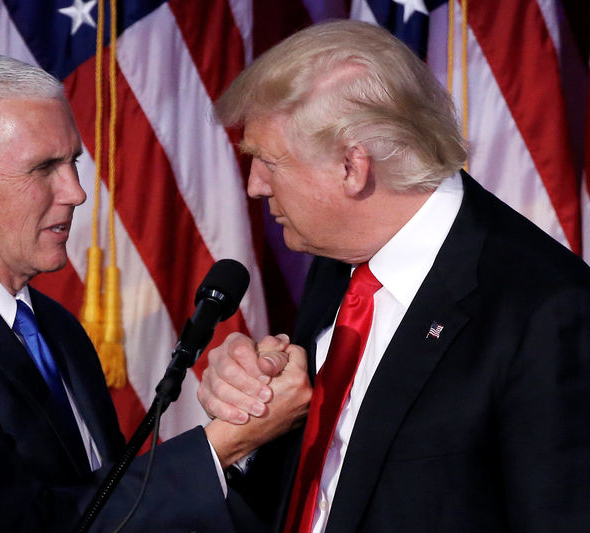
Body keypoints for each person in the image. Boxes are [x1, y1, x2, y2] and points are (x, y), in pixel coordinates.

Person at [0, 52, 310, 533]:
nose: (76, 191)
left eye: (72, 162)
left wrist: (246, 438)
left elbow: (112, 510)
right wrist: (218, 447)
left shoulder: (52, 326)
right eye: (44, 168)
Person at [197, 20, 590, 533]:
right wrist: (252, 423)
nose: (254, 186)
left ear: (352, 166)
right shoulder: (337, 264)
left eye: (269, 161)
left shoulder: (548, 311)